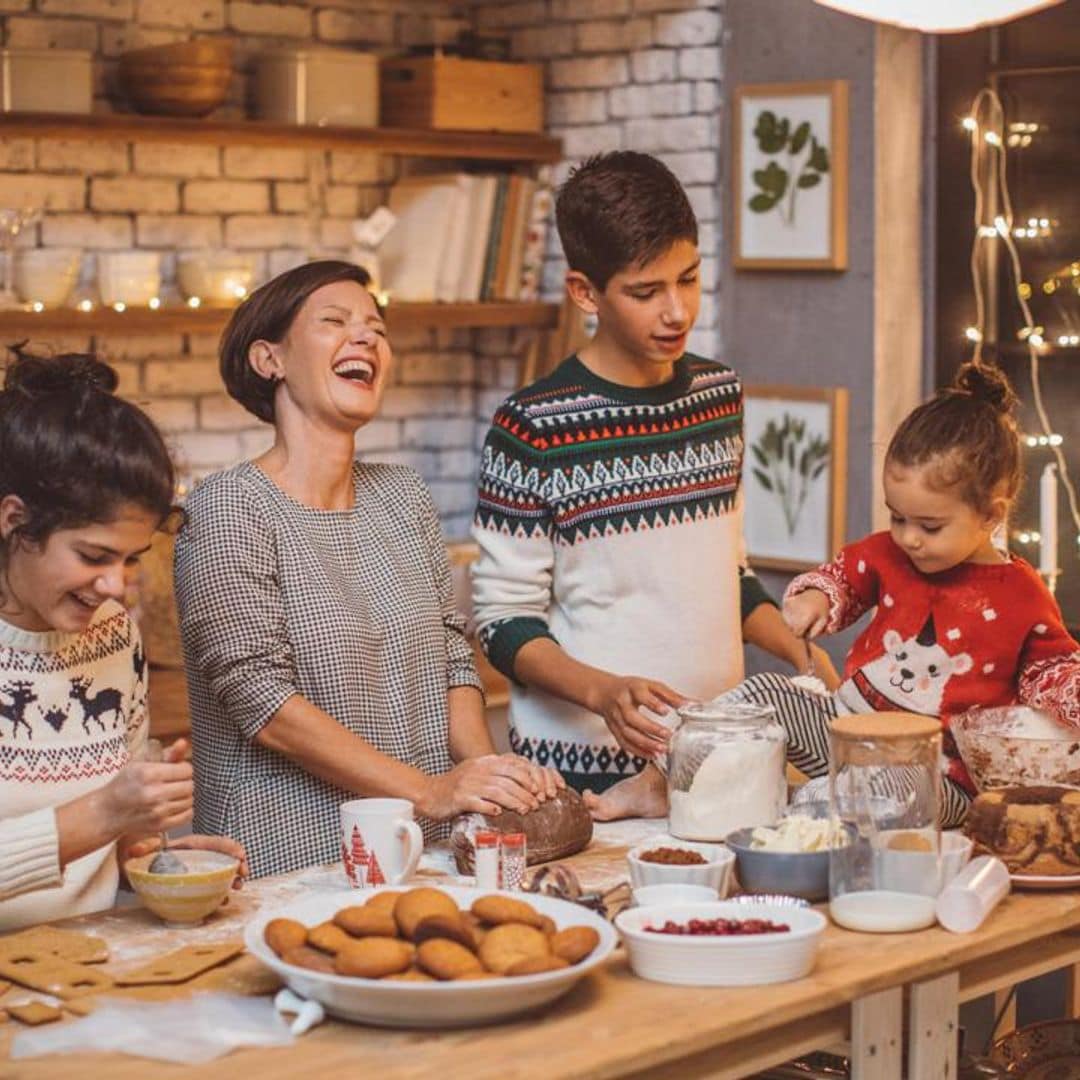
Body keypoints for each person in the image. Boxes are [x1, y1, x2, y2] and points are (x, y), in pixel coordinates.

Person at [471, 151, 836, 821]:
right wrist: (605, 693)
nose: (677, 311)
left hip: (717, 759)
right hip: (580, 774)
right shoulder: (532, 427)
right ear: (586, 292)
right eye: (646, 292)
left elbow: (729, 574)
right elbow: (502, 624)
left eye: (689, 279)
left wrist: (795, 647)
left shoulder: (717, 394)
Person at [174, 260, 562, 880]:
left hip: (427, 851)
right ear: (268, 359)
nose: (366, 339)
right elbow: (263, 703)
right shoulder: (225, 508)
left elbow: (450, 657)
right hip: (291, 863)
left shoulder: (403, 496)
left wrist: (487, 787)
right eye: (335, 322)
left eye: (376, 329)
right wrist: (430, 791)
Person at [721, 361, 1080, 826]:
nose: (908, 538)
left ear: (991, 515)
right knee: (763, 692)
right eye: (897, 517)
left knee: (889, 794)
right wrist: (815, 599)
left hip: (937, 776)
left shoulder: (1022, 596)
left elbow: (1051, 668)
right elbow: (844, 579)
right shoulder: (889, 554)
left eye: (930, 526)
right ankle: (668, 774)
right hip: (845, 730)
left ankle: (806, 805)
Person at [0, 350, 245, 932]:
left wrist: (156, 854)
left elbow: (114, 842)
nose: (115, 585)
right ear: (14, 520)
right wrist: (104, 812)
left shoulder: (111, 634)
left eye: (131, 559)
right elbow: (94, 816)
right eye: (93, 556)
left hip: (86, 967)